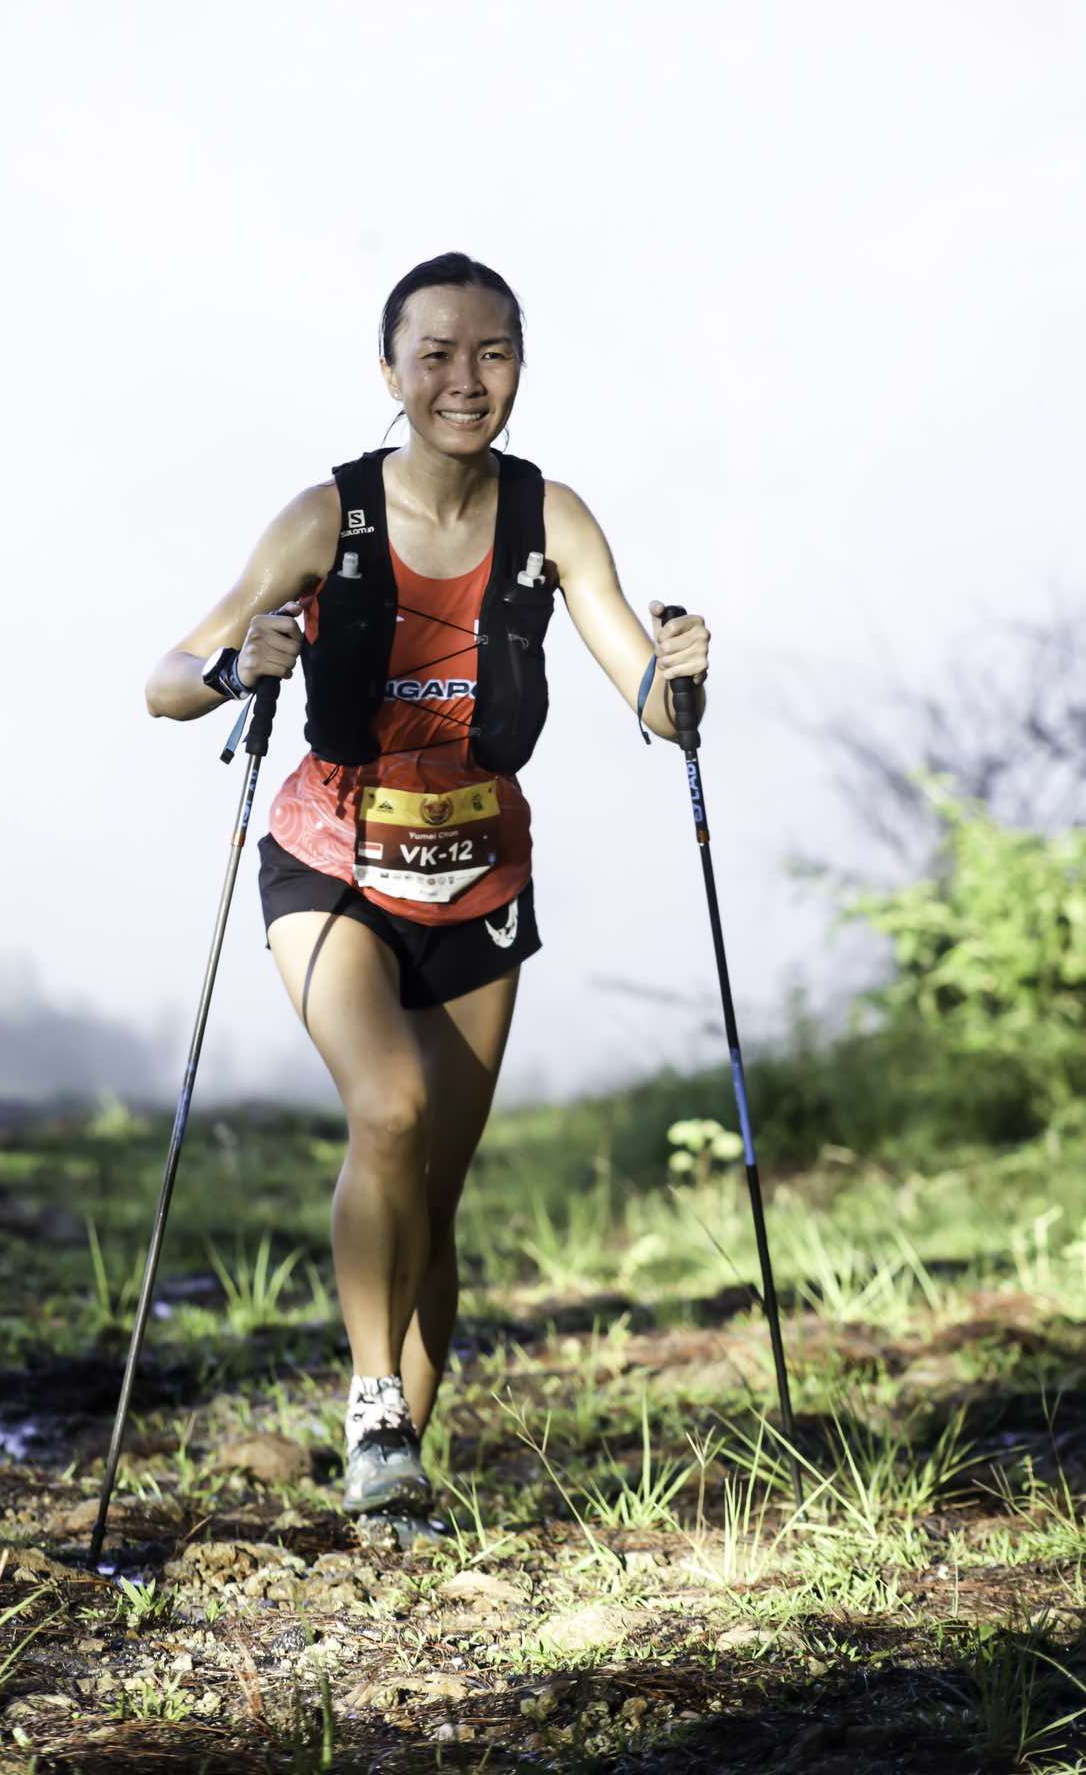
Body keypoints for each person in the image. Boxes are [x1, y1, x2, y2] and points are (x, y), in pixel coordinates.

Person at [145, 252, 710, 1517]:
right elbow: (167, 681)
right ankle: (370, 1396)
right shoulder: (325, 517)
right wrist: (240, 667)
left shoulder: (551, 516)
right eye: (437, 354)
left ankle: (394, 1471)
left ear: (519, 366)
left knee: (434, 1194)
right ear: (389, 371)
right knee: (389, 1109)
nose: (466, 379)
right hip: (331, 856)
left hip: (478, 874)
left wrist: (680, 675)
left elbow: (654, 705)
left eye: (491, 352)